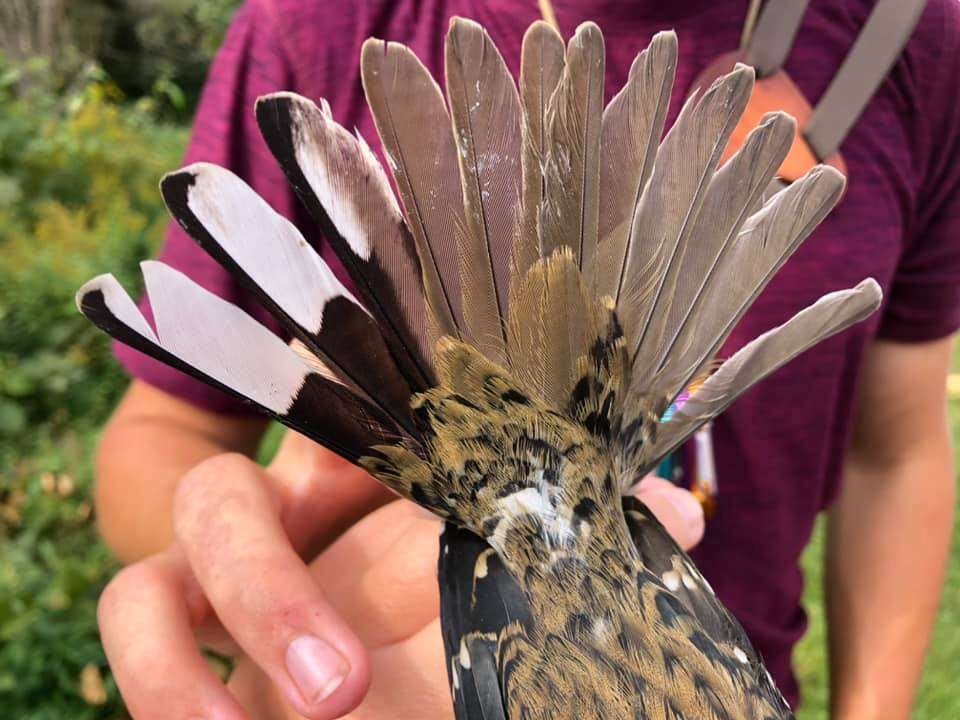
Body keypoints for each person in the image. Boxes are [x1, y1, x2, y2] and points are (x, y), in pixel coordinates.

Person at [93, 1, 960, 718]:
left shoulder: (911, 37)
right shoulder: (315, 25)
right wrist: (232, 552)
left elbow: (900, 449)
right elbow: (167, 425)